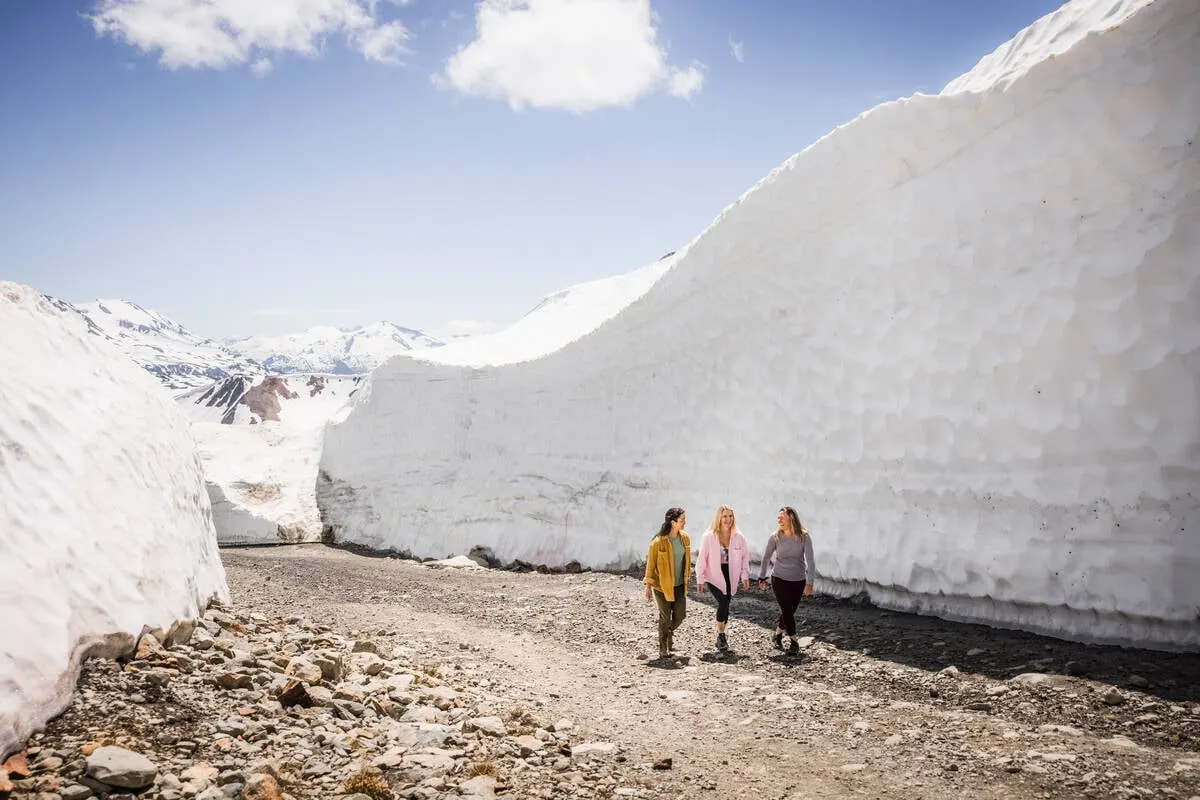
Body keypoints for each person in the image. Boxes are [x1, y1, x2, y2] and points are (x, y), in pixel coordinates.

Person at [757, 506, 816, 655]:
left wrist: (810, 582)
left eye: (782, 517)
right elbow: (765, 558)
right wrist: (762, 577)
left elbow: (810, 561)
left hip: (798, 580)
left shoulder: (804, 536)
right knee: (786, 610)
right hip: (779, 578)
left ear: (791, 518)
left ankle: (777, 635)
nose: (779, 520)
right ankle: (794, 640)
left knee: (790, 611)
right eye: (778, 518)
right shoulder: (775, 536)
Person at [695, 505, 750, 652]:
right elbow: (702, 559)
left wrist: (744, 576)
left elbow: (745, 557)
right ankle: (721, 635)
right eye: (725, 516)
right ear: (719, 518)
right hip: (713, 574)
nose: (728, 519)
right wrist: (700, 578)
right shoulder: (709, 536)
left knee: (726, 604)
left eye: (730, 516)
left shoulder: (739, 536)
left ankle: (721, 633)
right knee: (723, 602)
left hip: (730, 574)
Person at [643, 507, 691, 660]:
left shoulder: (685, 538)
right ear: (673, 522)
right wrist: (648, 587)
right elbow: (650, 566)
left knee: (680, 615)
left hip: (679, 585)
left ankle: (668, 632)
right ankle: (663, 646)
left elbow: (686, 560)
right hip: (661, 586)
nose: (685, 522)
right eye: (682, 520)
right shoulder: (657, 542)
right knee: (665, 617)